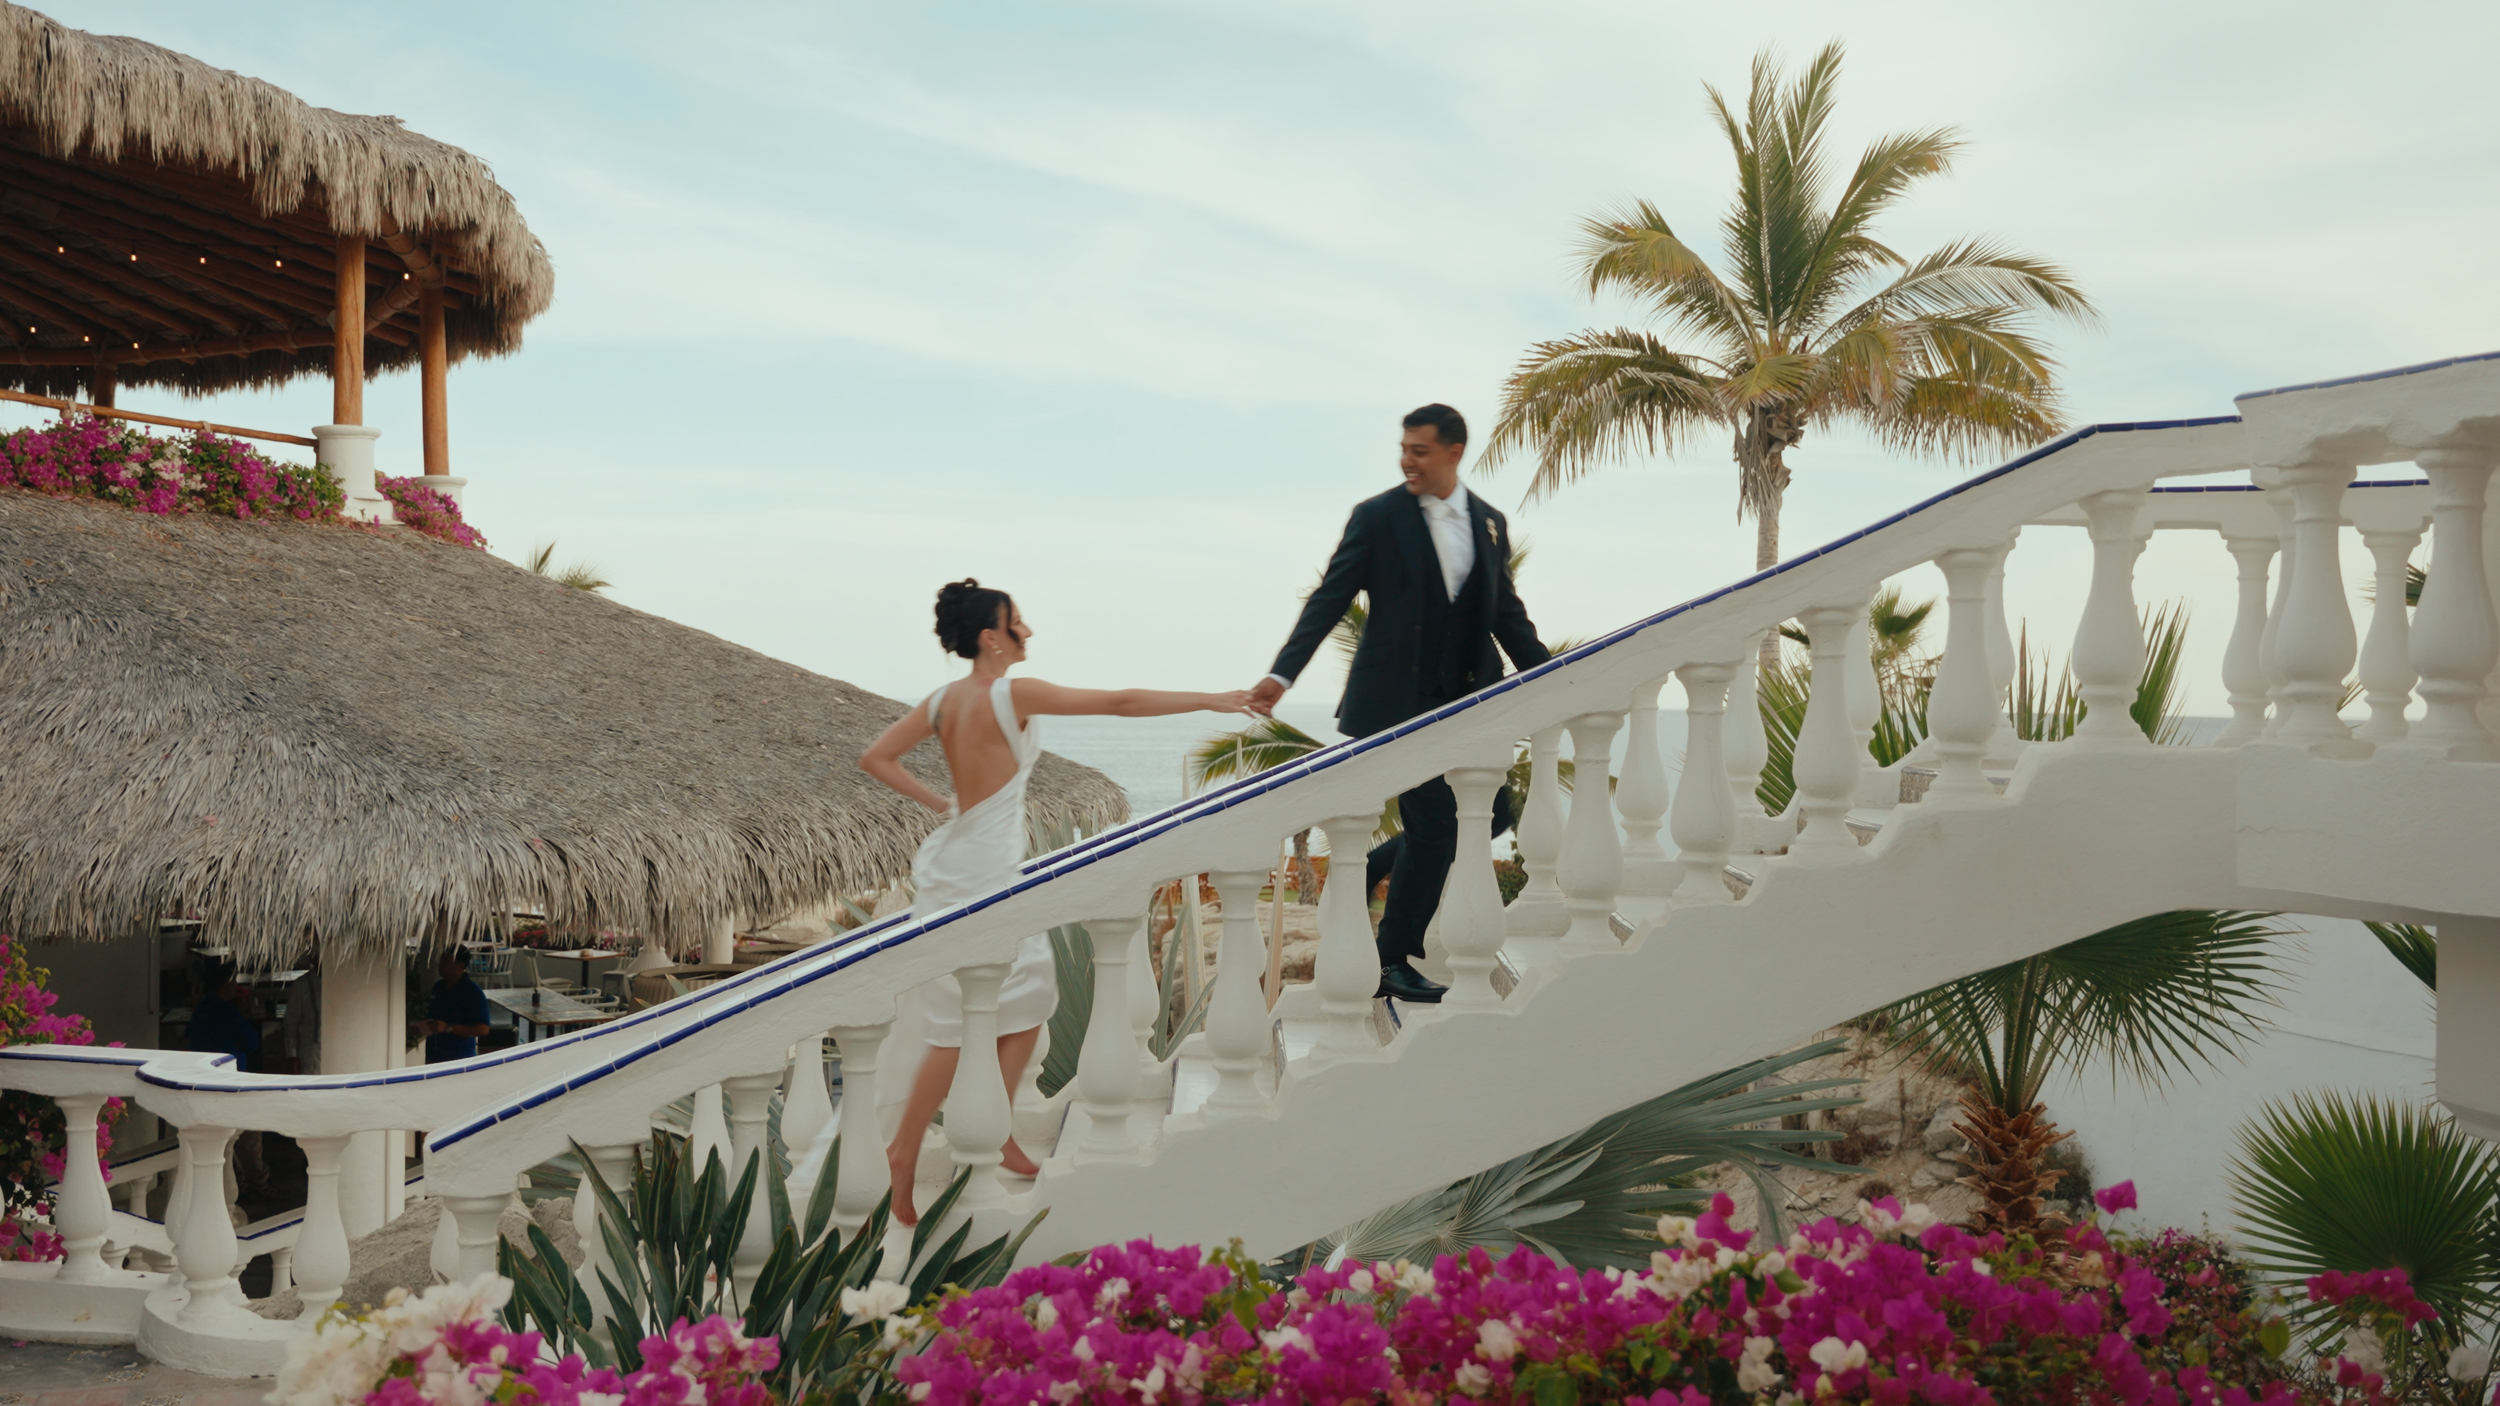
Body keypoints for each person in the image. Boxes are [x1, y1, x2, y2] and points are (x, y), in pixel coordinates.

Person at [859, 578, 1254, 1226]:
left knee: (1030, 998)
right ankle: (903, 1152)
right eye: (1018, 622)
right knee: (960, 1025)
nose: (1029, 632)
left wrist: (946, 808)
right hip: (981, 874)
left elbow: (877, 757)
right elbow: (1119, 701)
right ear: (991, 637)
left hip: (969, 862)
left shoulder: (942, 699)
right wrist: (1215, 698)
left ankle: (1002, 1130)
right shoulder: (1010, 692)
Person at [1249, 403, 1550, 1005]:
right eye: (1404, 447)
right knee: (1438, 824)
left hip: (1468, 699)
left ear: (1453, 453)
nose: (1406, 459)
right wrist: (1282, 674)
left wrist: (1551, 677)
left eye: (1419, 449)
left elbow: (1505, 615)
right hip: (1396, 704)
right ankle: (1392, 961)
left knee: (1493, 815)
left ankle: (1375, 865)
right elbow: (1329, 598)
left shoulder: (1489, 522)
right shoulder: (1378, 517)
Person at [416, 948, 491, 1063]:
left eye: (446, 961)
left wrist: (448, 1028)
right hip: (433, 1056)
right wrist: (422, 1027)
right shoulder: (438, 987)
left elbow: (483, 1029)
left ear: (460, 966)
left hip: (459, 1058)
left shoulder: (472, 992)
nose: (440, 965)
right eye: (440, 961)